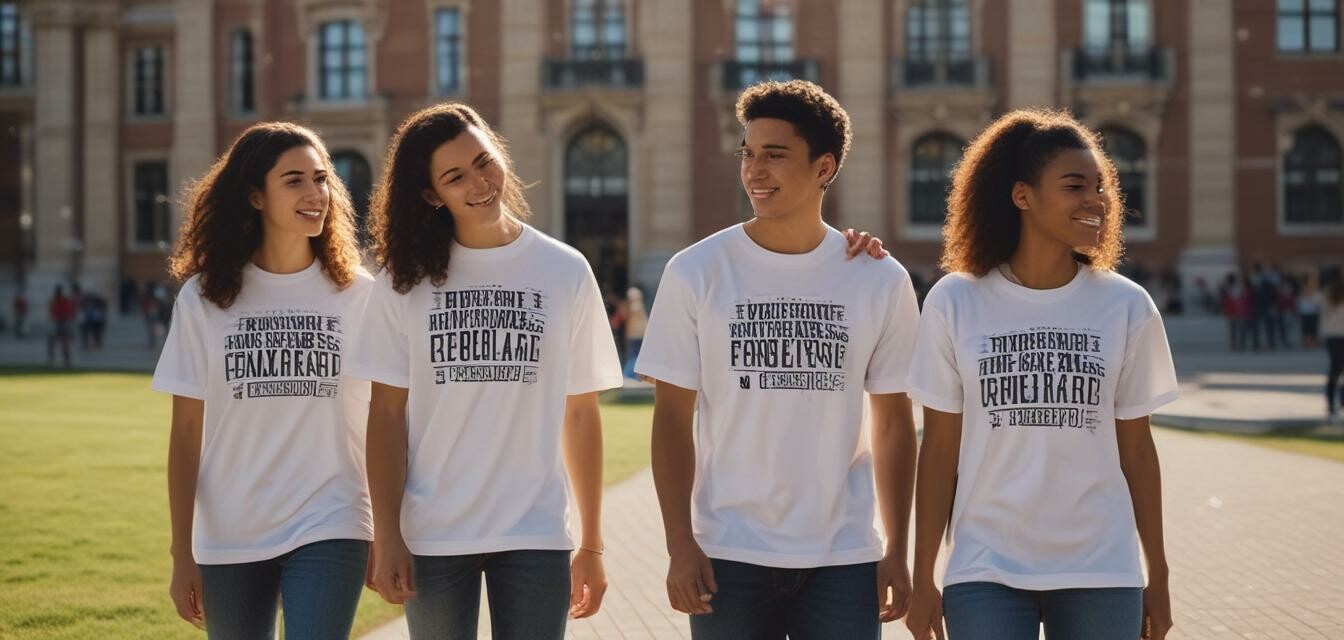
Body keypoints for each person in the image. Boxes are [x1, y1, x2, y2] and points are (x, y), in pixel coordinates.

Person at [637, 80, 920, 639]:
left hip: (843, 555)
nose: (754, 170)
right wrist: (679, 544)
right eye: (747, 154)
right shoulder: (696, 271)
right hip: (727, 554)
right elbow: (671, 418)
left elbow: (892, 424)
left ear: (823, 167)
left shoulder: (878, 278)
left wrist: (897, 548)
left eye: (774, 155)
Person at [351, 103, 623, 640]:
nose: (479, 183)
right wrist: (387, 535)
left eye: (484, 162)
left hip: (536, 533)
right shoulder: (404, 283)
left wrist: (591, 544)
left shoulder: (565, 269)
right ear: (432, 194)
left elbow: (582, 414)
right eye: (455, 177)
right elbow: (384, 415)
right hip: (432, 535)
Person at [904, 109, 1177, 640]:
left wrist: (1158, 573)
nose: (1094, 199)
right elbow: (938, 452)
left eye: (1100, 186)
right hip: (985, 568)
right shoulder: (956, 301)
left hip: (1102, 568)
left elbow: (1138, 452)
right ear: (1022, 196)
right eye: (1074, 186)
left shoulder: (1125, 306)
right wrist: (922, 576)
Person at [153, 122, 374, 639]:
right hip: (231, 530)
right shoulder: (204, 299)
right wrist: (181, 552)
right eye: (294, 180)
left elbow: (385, 421)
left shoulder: (360, 297)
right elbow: (186, 433)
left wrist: (387, 529)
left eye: (321, 179)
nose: (315, 193)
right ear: (255, 195)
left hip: (331, 519)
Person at [1323, 276, 1344, 423]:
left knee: (1334, 371)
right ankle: (1342, 401)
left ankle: (1331, 405)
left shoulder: (1326, 296)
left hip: (1331, 337)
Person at [47, 285, 75, 367]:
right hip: (58, 321)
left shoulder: (64, 300)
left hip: (63, 321)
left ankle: (66, 360)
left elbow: (69, 311)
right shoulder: (54, 300)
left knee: (64, 342)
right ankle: (52, 359)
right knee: (53, 341)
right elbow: (51, 311)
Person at [622, 287, 646, 379]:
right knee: (635, 355)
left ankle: (631, 374)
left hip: (636, 334)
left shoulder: (634, 305)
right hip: (636, 334)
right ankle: (631, 374)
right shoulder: (636, 305)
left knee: (634, 355)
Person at [1299, 271, 1322, 350]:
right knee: (1306, 329)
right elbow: (1300, 302)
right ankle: (1307, 343)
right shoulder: (1302, 291)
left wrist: (1311, 298)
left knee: (1313, 329)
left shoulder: (1316, 292)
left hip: (1313, 312)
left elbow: (1318, 302)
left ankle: (1313, 343)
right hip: (1305, 312)